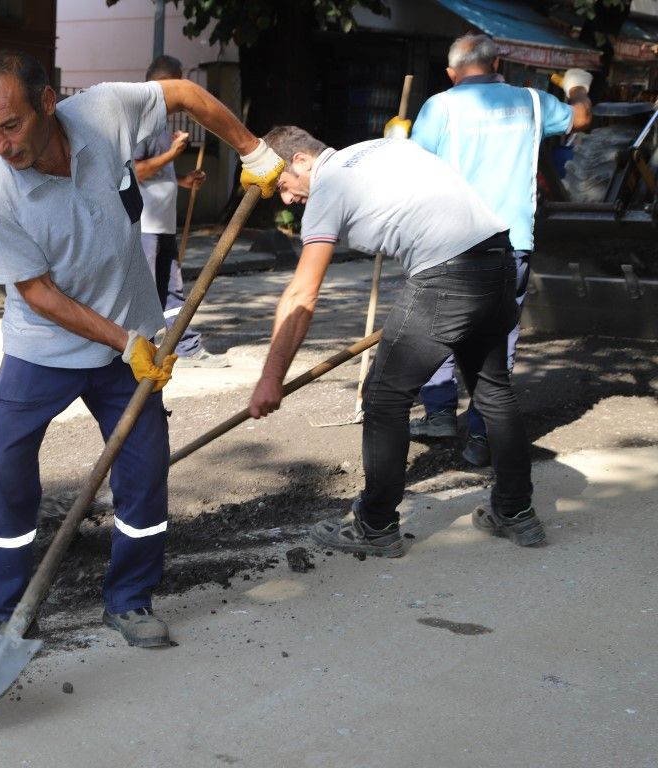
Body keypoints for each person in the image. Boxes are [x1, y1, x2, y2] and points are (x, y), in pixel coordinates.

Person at [0, 50, 283, 646]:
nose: (1, 145)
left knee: (143, 473)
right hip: (44, 349)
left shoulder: (103, 112)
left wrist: (252, 149)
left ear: (47, 102)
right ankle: (0, 610)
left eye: (10, 125)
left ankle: (130, 600)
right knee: (6, 472)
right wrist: (126, 341)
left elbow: (185, 96)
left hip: (126, 340)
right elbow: (37, 293)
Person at [248, 126, 544, 559]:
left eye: (283, 187)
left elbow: (301, 294)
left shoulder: (328, 186)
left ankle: (375, 524)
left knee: (385, 396)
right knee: (493, 392)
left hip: (448, 273)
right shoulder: (375, 146)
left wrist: (271, 377)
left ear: (300, 160)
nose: (286, 200)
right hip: (498, 258)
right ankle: (517, 513)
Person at [401, 34, 592, 467]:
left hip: (448, 242)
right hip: (511, 242)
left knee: (436, 327)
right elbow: (580, 118)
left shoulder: (440, 106)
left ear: (452, 73)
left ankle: (439, 413)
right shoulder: (534, 102)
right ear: (497, 62)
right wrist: (577, 86)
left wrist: (398, 142)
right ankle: (482, 437)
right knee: (497, 341)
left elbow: (413, 168)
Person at [133, 55, 228, 368]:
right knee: (146, 292)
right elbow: (136, 172)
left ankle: (183, 345)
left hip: (162, 223)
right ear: (166, 83)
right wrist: (173, 153)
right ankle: (140, 353)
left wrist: (185, 180)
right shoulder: (141, 123)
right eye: (180, 83)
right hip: (144, 225)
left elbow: (158, 175)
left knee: (171, 289)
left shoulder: (160, 122)